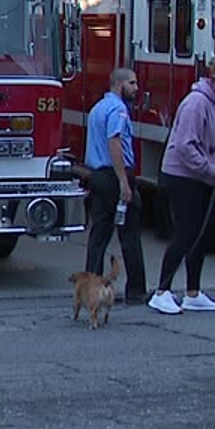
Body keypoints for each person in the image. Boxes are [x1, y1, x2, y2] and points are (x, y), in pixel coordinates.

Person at [150, 58, 215, 315]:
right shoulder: (195, 103)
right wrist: (211, 169)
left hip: (205, 177)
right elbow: (184, 145)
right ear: (214, 82)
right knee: (186, 233)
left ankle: (193, 292)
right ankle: (162, 291)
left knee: (202, 234)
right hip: (182, 176)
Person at [81, 68, 148, 304]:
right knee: (129, 233)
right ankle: (137, 290)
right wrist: (123, 182)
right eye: (132, 82)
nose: (136, 88)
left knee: (99, 234)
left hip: (98, 175)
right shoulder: (118, 110)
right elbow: (115, 142)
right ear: (119, 85)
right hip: (115, 175)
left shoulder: (98, 108)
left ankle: (91, 287)